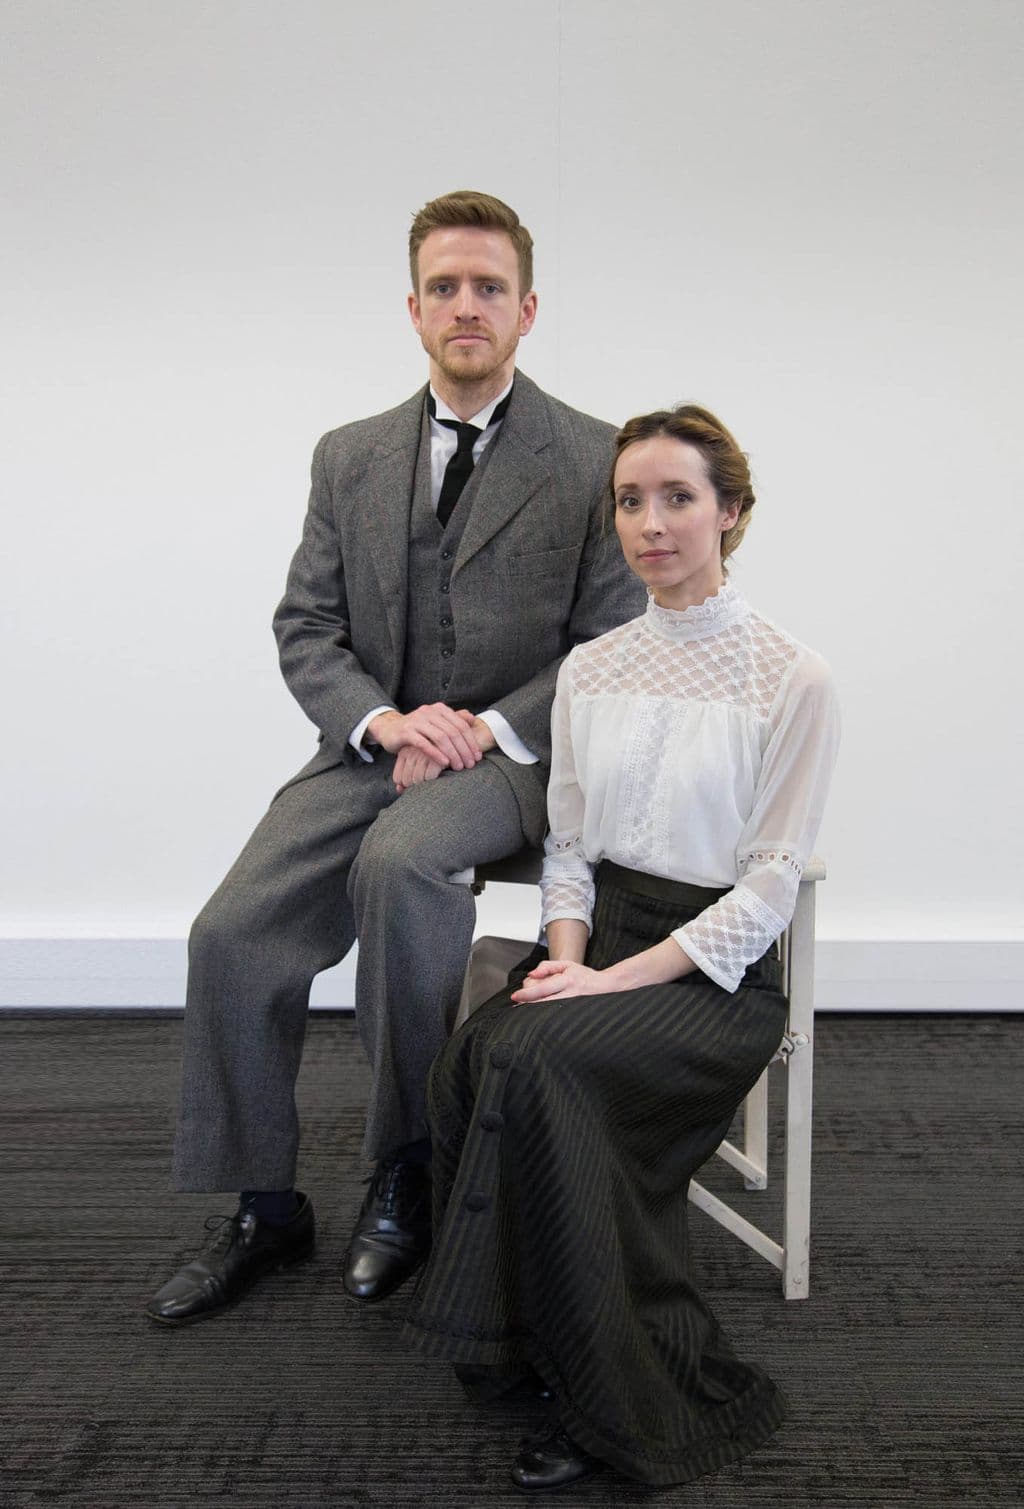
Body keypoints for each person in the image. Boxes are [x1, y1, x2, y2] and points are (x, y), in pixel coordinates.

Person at [145, 191, 643, 1327]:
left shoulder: (595, 454)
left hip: (512, 758)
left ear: (527, 311)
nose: (466, 306)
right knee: (229, 932)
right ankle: (265, 1206)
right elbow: (306, 627)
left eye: (489, 287)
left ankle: (406, 1169)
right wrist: (382, 722)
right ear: (412, 309)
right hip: (370, 748)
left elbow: (610, 643)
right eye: (444, 287)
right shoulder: (349, 456)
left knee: (401, 865)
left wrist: (483, 728)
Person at [403, 404, 841, 1492]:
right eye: (630, 500)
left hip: (710, 972)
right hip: (597, 938)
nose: (650, 523)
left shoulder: (793, 677)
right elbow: (570, 848)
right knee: (475, 1054)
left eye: (678, 497)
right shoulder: (591, 669)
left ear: (729, 512)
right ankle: (515, 1336)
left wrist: (606, 983)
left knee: (537, 1061)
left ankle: (613, 1386)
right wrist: (567, 957)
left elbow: (768, 888)